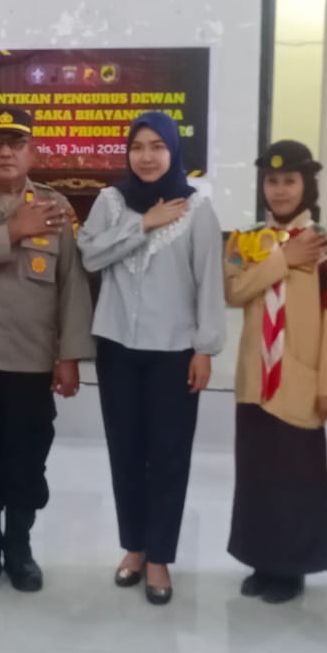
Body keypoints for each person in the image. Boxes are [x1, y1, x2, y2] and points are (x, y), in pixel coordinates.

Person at [0, 107, 95, 592]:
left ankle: (20, 547)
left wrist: (69, 356)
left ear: (33, 152)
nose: (6, 152)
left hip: (31, 361)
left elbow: (72, 286)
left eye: (16, 143)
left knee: (28, 459)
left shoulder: (56, 205)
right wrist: (12, 231)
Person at [77, 112, 224, 606]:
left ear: (174, 151)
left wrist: (205, 349)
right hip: (117, 347)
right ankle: (135, 548)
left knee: (168, 457)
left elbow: (209, 283)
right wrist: (143, 224)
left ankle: (160, 556)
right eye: (137, 146)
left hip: (174, 352)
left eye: (157, 146)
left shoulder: (196, 208)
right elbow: (89, 255)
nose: (146, 157)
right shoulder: (110, 201)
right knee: (125, 453)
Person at [223, 140, 327, 605]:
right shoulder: (245, 240)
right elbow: (234, 292)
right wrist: (282, 259)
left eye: (289, 181)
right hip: (255, 380)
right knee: (257, 476)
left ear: (307, 185)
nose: (279, 190)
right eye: (272, 181)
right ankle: (261, 561)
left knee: (297, 481)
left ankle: (292, 568)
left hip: (300, 381)